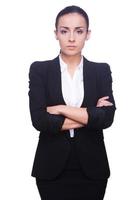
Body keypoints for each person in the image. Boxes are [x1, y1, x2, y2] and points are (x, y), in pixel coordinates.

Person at [29, 5, 116, 200]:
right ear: (56, 34)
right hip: (50, 168)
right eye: (64, 31)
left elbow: (107, 119)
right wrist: (91, 115)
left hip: (92, 168)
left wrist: (60, 109)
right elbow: (40, 120)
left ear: (88, 34)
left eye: (79, 31)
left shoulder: (101, 71)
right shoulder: (39, 70)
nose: (71, 38)